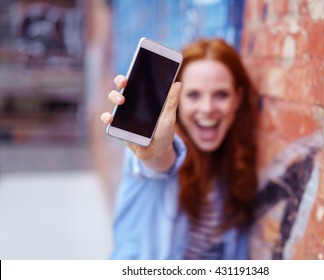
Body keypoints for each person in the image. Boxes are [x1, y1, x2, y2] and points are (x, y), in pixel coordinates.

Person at [100, 38, 258, 259]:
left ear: (237, 98)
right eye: (193, 95)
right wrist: (153, 151)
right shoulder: (156, 152)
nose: (207, 108)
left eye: (221, 94)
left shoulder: (234, 168)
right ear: (176, 100)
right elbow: (160, 162)